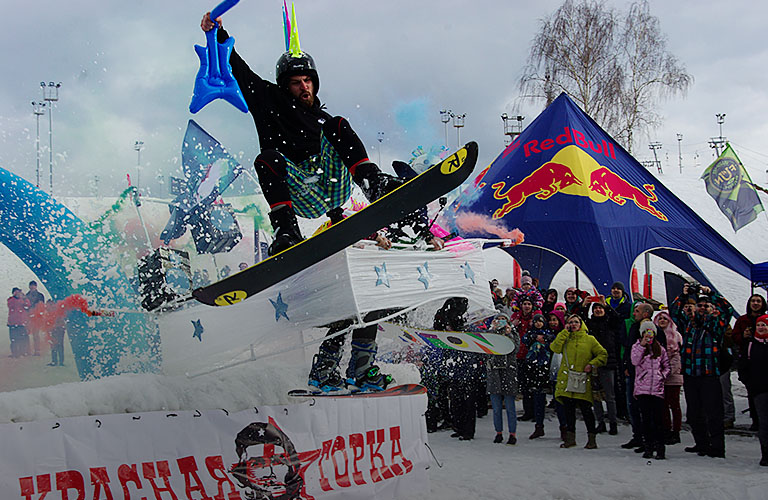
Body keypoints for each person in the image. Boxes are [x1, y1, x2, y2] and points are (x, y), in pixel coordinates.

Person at [200, 12, 441, 256]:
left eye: (307, 81)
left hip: (333, 182)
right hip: (302, 190)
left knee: (337, 125)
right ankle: (286, 231)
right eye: (296, 82)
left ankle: (374, 184)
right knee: (267, 159)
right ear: (286, 86)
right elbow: (242, 72)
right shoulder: (270, 102)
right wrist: (218, 32)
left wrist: (423, 231)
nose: (304, 87)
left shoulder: (323, 119)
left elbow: (340, 144)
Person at [670, 283, 735, 458]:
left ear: (712, 309)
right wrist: (683, 295)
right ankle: (701, 443)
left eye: (706, 306)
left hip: (709, 375)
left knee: (713, 413)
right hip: (691, 375)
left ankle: (717, 447)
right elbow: (674, 312)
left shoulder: (716, 326)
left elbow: (727, 309)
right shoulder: (689, 325)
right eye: (700, 305)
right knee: (694, 413)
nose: (703, 308)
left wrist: (710, 293)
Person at [550, 314, 607, 449]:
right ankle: (570, 439)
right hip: (567, 379)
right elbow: (555, 348)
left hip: (582, 379)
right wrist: (564, 332)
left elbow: (603, 354)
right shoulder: (565, 338)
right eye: (571, 322)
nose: (573, 324)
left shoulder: (589, 340)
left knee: (586, 410)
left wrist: (592, 364)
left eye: (576, 322)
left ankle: (591, 439)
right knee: (568, 410)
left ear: (581, 324)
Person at [621, 301, 667, 452]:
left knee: (651, 413)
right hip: (635, 374)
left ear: (646, 313)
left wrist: (661, 375)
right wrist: (627, 365)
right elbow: (630, 349)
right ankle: (640, 438)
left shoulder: (656, 331)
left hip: (652, 379)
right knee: (634, 408)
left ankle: (653, 441)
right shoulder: (635, 328)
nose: (634, 313)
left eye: (637, 311)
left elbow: (663, 357)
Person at [631, 320, 670, 459]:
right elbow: (634, 361)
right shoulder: (637, 347)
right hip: (643, 390)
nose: (649, 336)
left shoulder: (660, 349)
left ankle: (660, 448)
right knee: (646, 420)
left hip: (657, 389)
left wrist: (662, 376)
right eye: (646, 333)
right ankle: (648, 446)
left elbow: (667, 365)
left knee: (658, 420)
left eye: (651, 333)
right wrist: (642, 345)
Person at [732, 293, 767, 431]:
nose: (756, 303)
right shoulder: (742, 320)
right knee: (752, 392)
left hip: (763, 360)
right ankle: (755, 420)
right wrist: (743, 336)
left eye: (758, 301)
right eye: (753, 301)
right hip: (748, 360)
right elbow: (735, 338)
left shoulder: (766, 319)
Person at [737, 314, 768, 466]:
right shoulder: (750, 344)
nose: (762, 328)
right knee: (764, 422)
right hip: (759, 389)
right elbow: (743, 366)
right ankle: (766, 454)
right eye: (759, 325)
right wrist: (749, 383)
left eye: (764, 325)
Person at [585, 300, 620, 435]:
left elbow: (617, 318)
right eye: (596, 309)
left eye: (600, 308)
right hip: (593, 363)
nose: (598, 311)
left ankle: (613, 422)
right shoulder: (590, 324)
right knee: (595, 395)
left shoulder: (609, 323)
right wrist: (586, 305)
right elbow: (580, 319)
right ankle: (600, 422)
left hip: (608, 363)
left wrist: (607, 305)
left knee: (609, 395)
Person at [486, 312, 521, 444]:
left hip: (509, 373)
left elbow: (515, 349)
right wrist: (493, 331)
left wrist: (509, 334)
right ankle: (498, 432)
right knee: (496, 408)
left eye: (503, 319)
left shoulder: (513, 332)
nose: (500, 322)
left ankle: (512, 433)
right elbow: (486, 349)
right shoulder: (490, 333)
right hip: (494, 373)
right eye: (498, 319)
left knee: (510, 407)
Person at [522, 313, 555, 439]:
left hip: (545, 366)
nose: (538, 324)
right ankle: (537, 422)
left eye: (540, 321)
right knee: (533, 392)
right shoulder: (531, 333)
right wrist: (535, 336)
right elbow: (525, 340)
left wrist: (545, 338)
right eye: (536, 322)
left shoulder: (548, 333)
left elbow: (552, 339)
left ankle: (540, 419)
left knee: (541, 393)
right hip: (532, 367)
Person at [654, 311, 683, 445]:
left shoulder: (676, 336)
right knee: (663, 405)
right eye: (660, 319)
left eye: (665, 318)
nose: (662, 321)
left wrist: (669, 370)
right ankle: (666, 430)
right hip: (659, 375)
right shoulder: (654, 336)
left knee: (674, 404)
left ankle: (676, 431)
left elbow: (677, 357)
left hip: (673, 375)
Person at [7, 288, 30, 358]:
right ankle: (15, 353)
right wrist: (19, 297)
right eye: (16, 292)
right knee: (13, 339)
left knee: (21, 338)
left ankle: (22, 352)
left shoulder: (23, 300)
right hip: (13, 323)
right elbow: (11, 305)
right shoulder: (11, 300)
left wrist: (24, 298)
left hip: (21, 323)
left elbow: (28, 305)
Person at [26, 281, 44, 356]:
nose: (32, 287)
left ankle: (37, 350)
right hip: (28, 317)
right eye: (31, 285)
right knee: (27, 333)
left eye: (34, 285)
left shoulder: (40, 295)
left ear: (36, 286)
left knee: (35, 334)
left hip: (37, 317)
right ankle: (28, 350)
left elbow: (42, 306)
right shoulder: (27, 295)